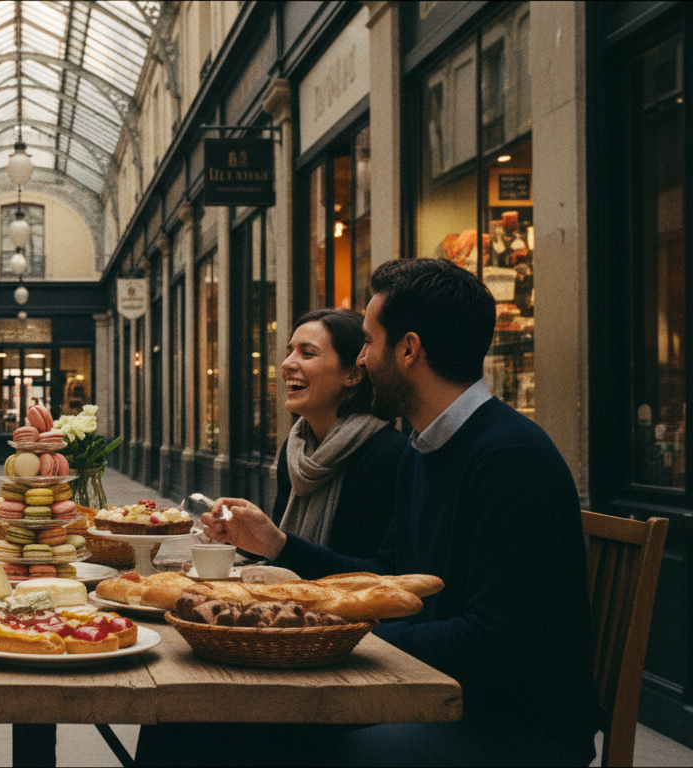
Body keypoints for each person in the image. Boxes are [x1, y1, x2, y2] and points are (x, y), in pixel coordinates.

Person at [194, 258, 602, 766]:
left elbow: (500, 642)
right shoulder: (423, 449)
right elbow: (385, 580)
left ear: (408, 350)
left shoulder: (509, 459)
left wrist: (338, 635)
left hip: (509, 729)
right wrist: (281, 547)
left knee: (244, 742)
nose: (361, 360)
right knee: (197, 725)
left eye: (368, 341)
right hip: (426, 696)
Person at [270, 308, 407, 558]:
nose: (287, 364)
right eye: (290, 352)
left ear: (353, 374)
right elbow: (277, 546)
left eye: (307, 353)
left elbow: (372, 572)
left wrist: (275, 544)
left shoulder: (387, 454)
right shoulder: (296, 447)